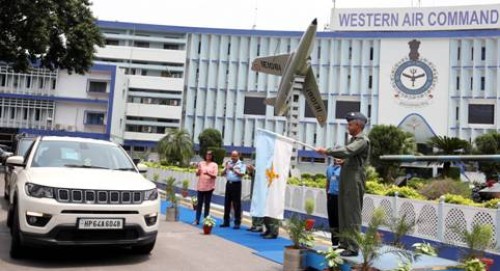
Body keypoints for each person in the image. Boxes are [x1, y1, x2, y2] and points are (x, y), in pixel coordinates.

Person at [315, 112, 370, 257]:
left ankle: (352, 246)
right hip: (346, 179)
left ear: (358, 125)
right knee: (344, 212)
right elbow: (351, 157)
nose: (348, 127)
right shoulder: (353, 140)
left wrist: (327, 151)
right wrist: (344, 161)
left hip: (354, 181)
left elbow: (347, 151)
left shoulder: (362, 140)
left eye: (350, 124)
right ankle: (344, 243)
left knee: (352, 214)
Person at [221, 150, 246, 229]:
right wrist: (226, 168)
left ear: (238, 156)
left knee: (236, 204)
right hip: (229, 184)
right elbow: (222, 174)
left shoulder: (242, 164)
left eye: (235, 156)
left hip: (236, 185)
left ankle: (237, 222)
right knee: (227, 203)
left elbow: (242, 174)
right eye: (232, 156)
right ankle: (226, 221)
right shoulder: (229, 163)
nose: (233, 157)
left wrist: (233, 170)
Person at [193, 150, 218, 225]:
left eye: (210, 154)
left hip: (209, 187)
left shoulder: (214, 165)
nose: (208, 156)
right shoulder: (201, 163)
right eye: (207, 154)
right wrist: (198, 171)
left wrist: (208, 173)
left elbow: (215, 176)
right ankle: (197, 220)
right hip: (201, 186)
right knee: (199, 204)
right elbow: (197, 174)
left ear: (212, 156)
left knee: (207, 204)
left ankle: (206, 220)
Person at [326, 157, 344, 247]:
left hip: (340, 198)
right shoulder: (329, 168)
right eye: (335, 156)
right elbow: (328, 182)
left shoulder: (344, 168)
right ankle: (334, 243)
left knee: (340, 221)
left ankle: (342, 243)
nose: (337, 158)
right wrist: (327, 195)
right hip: (331, 197)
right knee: (332, 220)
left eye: (339, 155)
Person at [246, 163, 264, 232]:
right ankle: (254, 224)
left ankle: (259, 225)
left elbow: (262, 176)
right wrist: (250, 171)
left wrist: (254, 170)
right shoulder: (257, 163)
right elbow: (252, 175)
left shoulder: (264, 164)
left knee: (259, 207)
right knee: (254, 207)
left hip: (260, 190)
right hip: (254, 190)